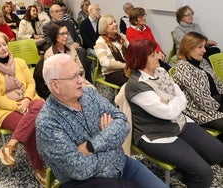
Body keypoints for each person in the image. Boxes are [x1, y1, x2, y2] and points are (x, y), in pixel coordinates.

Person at [36, 53, 167, 188]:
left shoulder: (89, 94)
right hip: (89, 181)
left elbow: (123, 122)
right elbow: (80, 170)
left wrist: (91, 146)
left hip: (123, 165)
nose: (81, 80)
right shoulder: (48, 123)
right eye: (73, 77)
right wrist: (111, 141)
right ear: (55, 85)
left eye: (80, 74)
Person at [125, 38, 223, 188]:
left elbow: (180, 98)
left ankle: (187, 171)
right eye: (153, 55)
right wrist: (174, 102)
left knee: (217, 153)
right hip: (156, 134)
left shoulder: (161, 71)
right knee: (204, 173)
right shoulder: (136, 86)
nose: (159, 56)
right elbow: (169, 113)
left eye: (156, 52)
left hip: (178, 121)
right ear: (140, 59)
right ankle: (192, 174)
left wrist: (172, 102)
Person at [0, 30, 46, 187]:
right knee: (31, 128)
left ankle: (10, 145)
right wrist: (18, 106)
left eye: (4, 44)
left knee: (40, 104)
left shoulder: (19, 62)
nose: (4, 48)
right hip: (5, 109)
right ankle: (39, 169)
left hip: (28, 101)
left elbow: (31, 84)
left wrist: (26, 99)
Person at [173, 32, 223, 133]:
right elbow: (202, 100)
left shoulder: (202, 61)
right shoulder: (183, 68)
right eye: (200, 47)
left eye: (204, 46)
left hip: (215, 101)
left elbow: (218, 82)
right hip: (199, 111)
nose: (204, 50)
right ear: (188, 48)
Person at [34, 22, 85, 99]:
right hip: (62, 86)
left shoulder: (71, 49)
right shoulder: (49, 54)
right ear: (54, 35)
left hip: (77, 81)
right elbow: (53, 78)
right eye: (62, 34)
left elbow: (80, 69)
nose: (66, 36)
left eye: (67, 33)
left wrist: (79, 81)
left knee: (92, 91)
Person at [44, 4, 92, 83]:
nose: (60, 13)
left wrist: (77, 43)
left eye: (61, 11)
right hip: (59, 49)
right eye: (57, 11)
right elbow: (50, 43)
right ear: (51, 14)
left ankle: (85, 79)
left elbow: (76, 37)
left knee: (82, 51)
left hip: (72, 48)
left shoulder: (68, 23)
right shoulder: (47, 27)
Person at [94, 14, 129, 86]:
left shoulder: (121, 37)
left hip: (127, 69)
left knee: (144, 79)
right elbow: (104, 62)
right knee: (132, 84)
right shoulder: (100, 41)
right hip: (111, 73)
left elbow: (132, 49)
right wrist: (124, 65)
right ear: (104, 27)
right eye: (111, 23)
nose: (115, 24)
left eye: (115, 22)